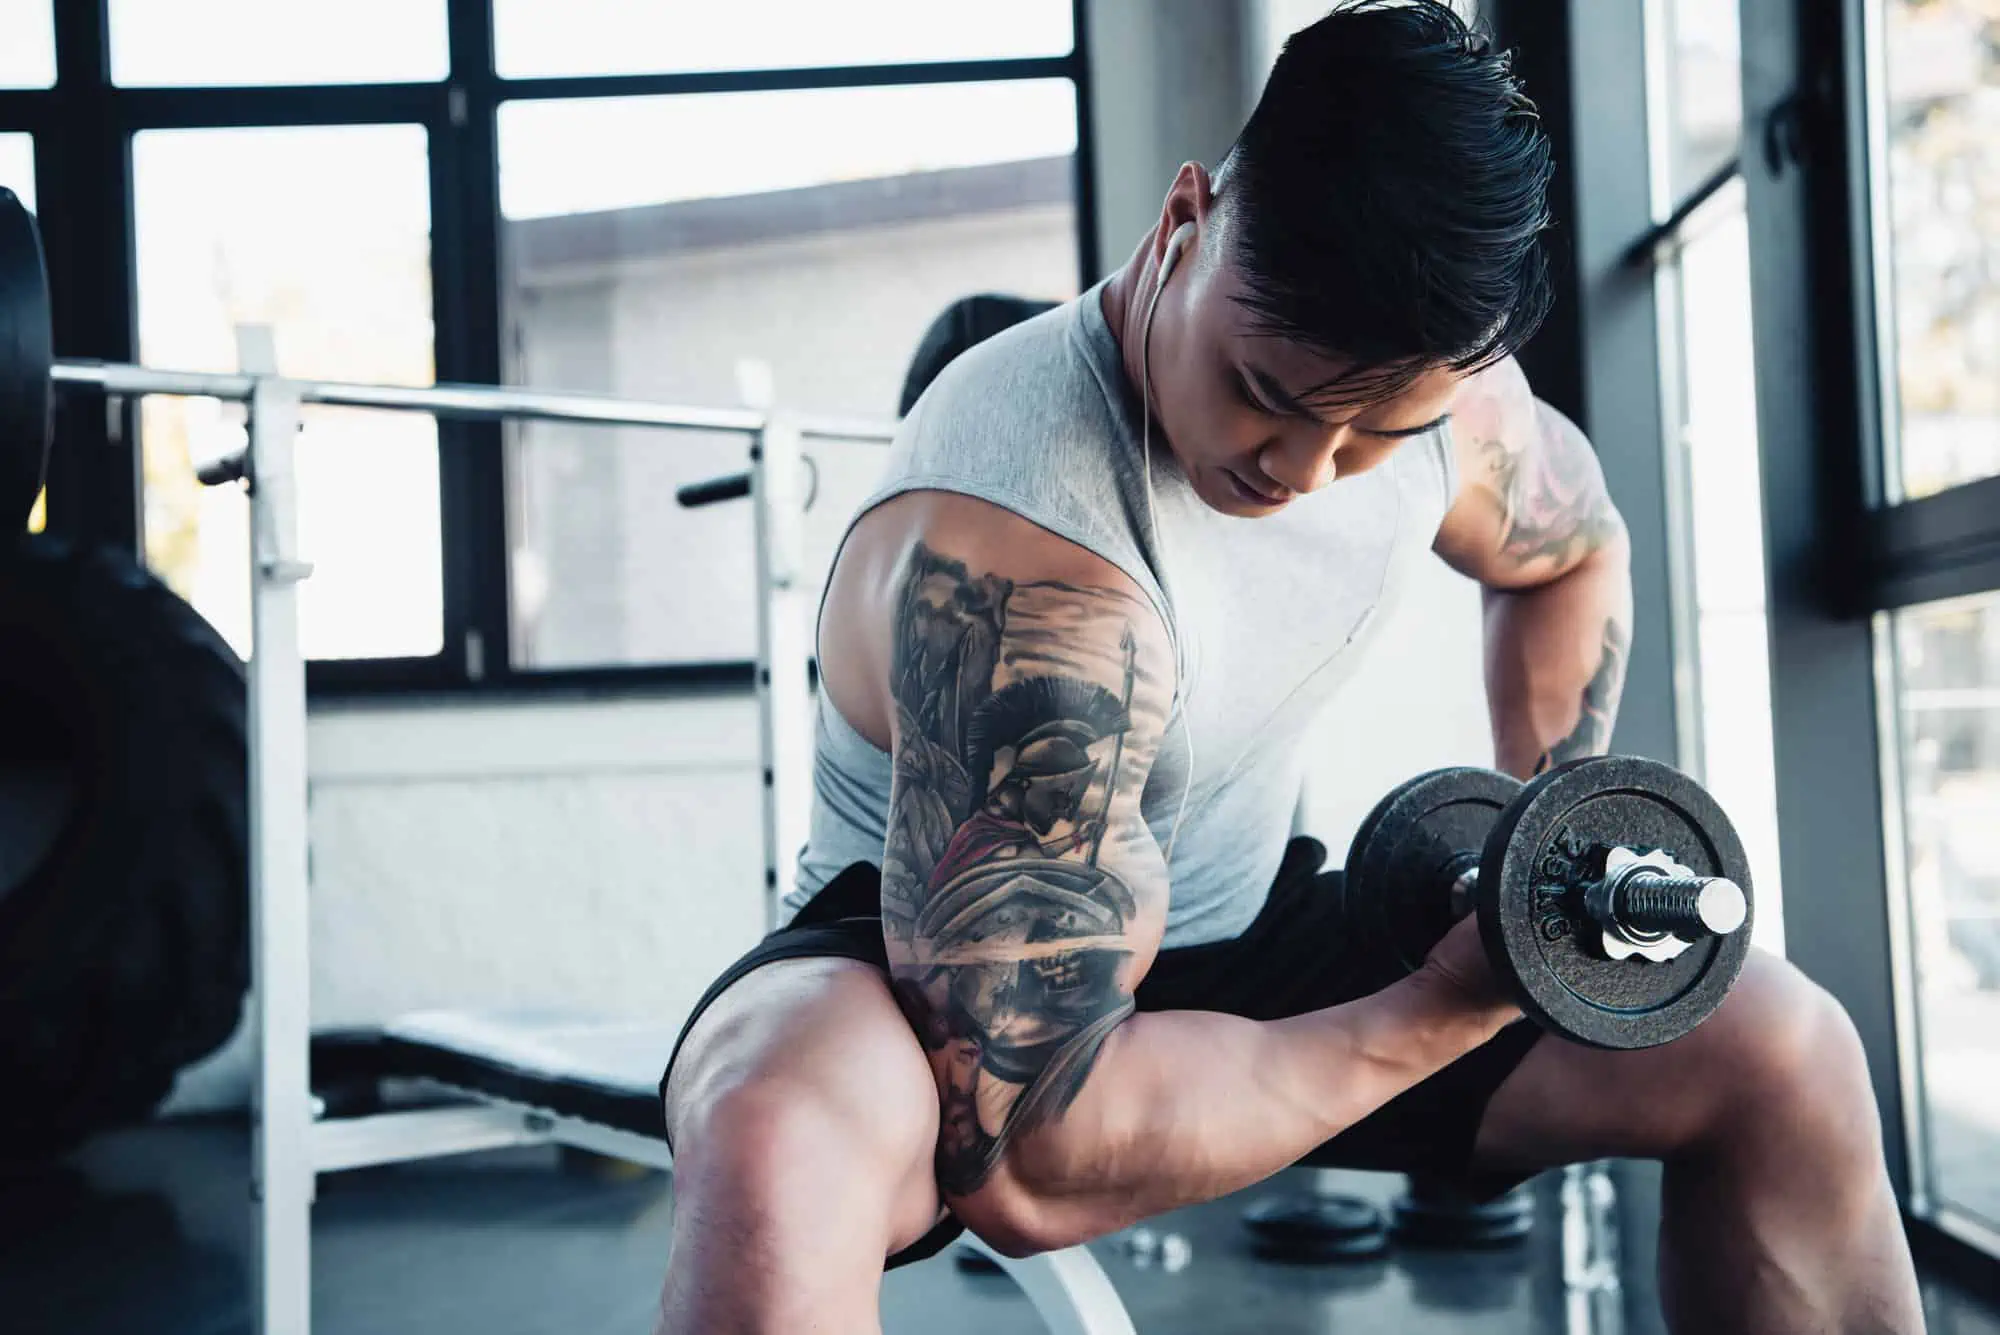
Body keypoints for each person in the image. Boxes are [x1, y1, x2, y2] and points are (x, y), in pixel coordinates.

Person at [657, 5, 1923, 1332]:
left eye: (1375, 436)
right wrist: (1454, 995)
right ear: (1184, 222)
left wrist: (1541, 852)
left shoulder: (1436, 409)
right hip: (930, 965)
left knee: (1784, 1047)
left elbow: (1572, 551)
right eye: (1265, 390)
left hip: (1244, 919)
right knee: (779, 1133)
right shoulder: (1028, 567)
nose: (1304, 471)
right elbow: (1029, 1161)